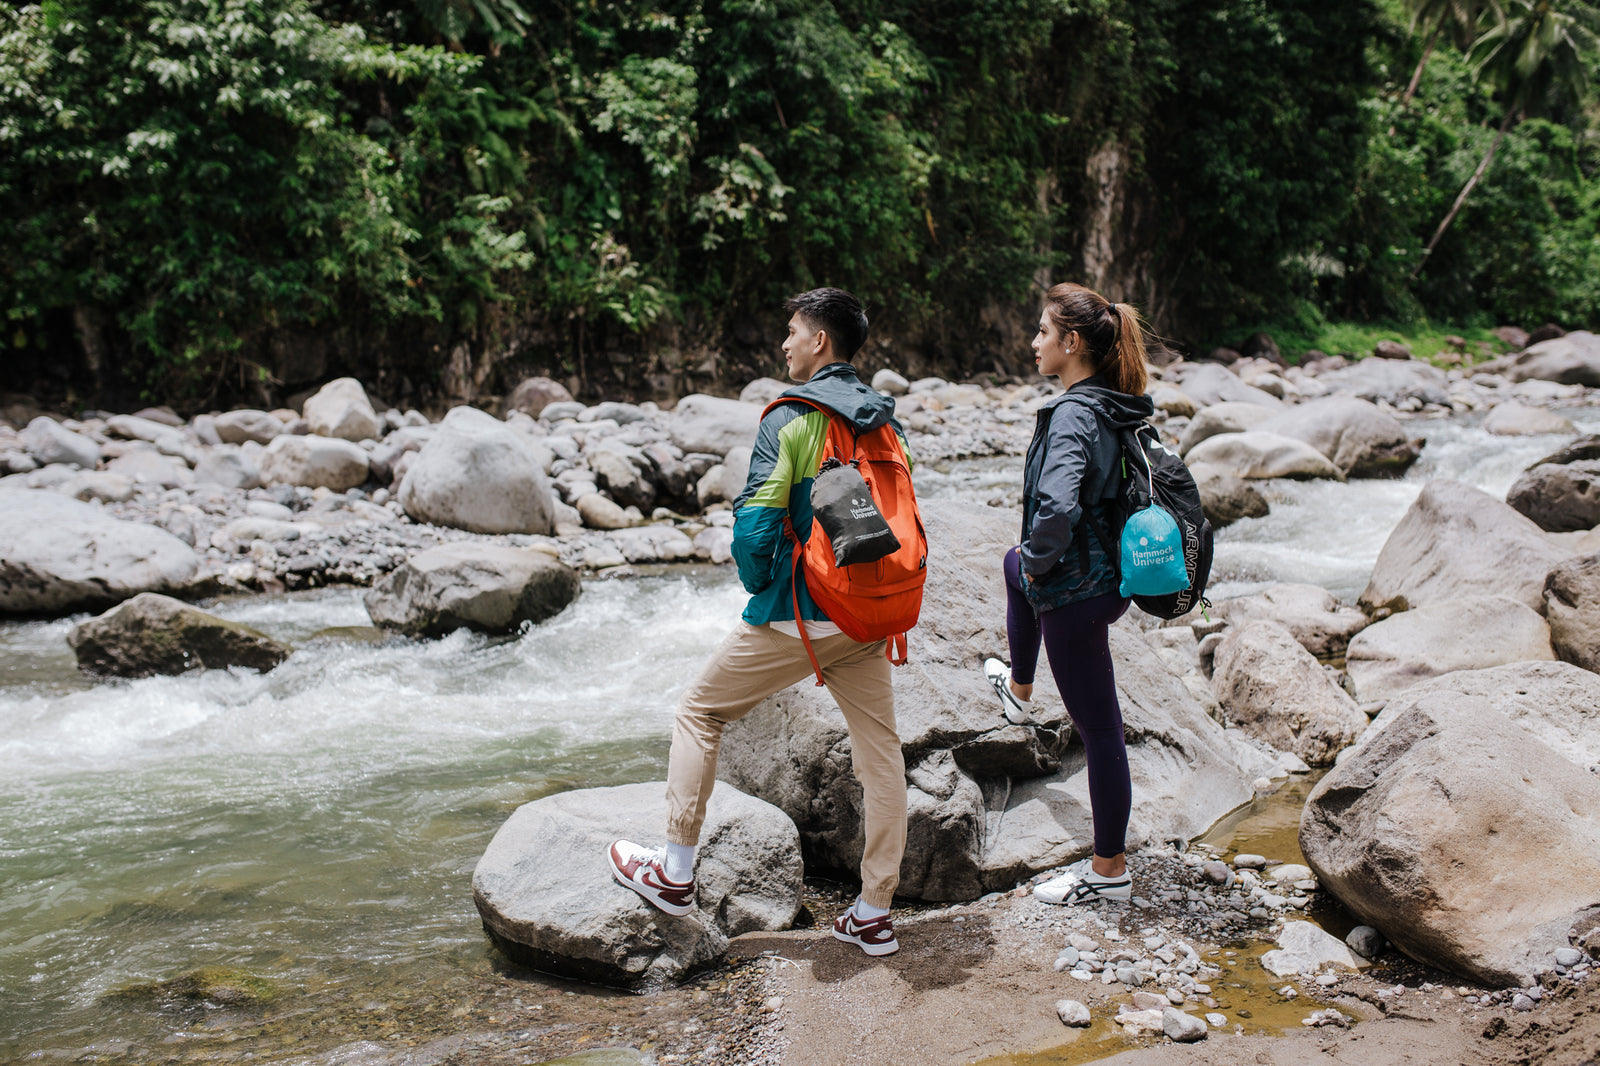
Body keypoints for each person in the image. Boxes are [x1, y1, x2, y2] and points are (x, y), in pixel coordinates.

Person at [607, 287, 911, 957]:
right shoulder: (887, 423)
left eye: (793, 331)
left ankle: (674, 873)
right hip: (868, 616)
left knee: (698, 712)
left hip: (803, 610)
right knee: (881, 755)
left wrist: (762, 585)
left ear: (820, 341)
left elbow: (754, 524)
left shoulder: (792, 419)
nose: (784, 343)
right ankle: (874, 911)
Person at [982, 282, 1153, 906]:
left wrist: (1038, 565)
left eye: (1043, 332)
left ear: (1072, 342)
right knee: (1011, 565)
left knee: (1101, 731)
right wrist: (1026, 564)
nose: (1034, 343)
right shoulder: (1111, 404)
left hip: (1074, 592)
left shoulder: (1074, 414)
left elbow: (1056, 505)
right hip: (1108, 581)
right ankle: (1019, 693)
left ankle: (1109, 873)